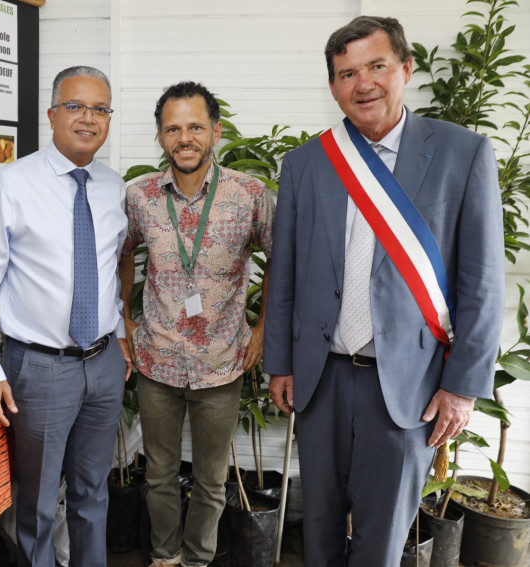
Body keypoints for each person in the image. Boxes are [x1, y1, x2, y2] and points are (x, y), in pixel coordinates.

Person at [263, 16, 505, 566]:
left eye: (376, 66)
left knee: (382, 538)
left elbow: (483, 283)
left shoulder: (462, 154)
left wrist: (463, 388)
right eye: (347, 73)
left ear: (406, 69)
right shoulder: (304, 164)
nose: (363, 83)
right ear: (332, 87)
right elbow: (286, 276)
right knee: (317, 528)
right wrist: (280, 363)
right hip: (319, 379)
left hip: (408, 390)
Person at [0, 65, 132, 567]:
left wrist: (118, 332)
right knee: (35, 502)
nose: (88, 118)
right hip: (38, 369)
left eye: (100, 109)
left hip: (101, 365)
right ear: (52, 114)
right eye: (76, 106)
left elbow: (108, 269)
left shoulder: (112, 187)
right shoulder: (12, 183)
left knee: (93, 493)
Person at [119, 81, 275, 567]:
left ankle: (198, 559)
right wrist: (123, 319)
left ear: (215, 130)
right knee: (159, 473)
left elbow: (282, 261)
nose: (184, 137)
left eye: (194, 126)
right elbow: (121, 256)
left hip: (221, 362)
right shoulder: (139, 196)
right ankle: (164, 558)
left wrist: (263, 329)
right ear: (161, 136)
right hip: (156, 360)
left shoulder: (249, 195)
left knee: (211, 478)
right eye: (172, 128)